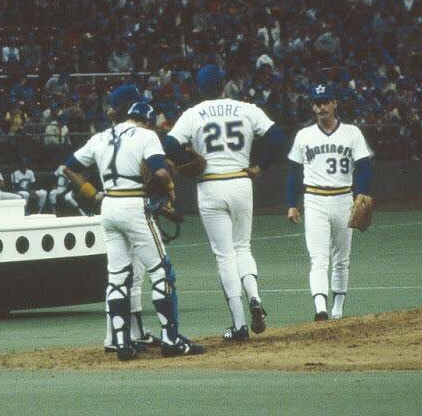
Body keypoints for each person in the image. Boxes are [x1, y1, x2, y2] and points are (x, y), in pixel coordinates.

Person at [64, 84, 203, 360]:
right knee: (162, 271)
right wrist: (171, 189)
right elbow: (160, 172)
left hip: (109, 205)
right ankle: (171, 340)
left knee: (117, 276)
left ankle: (122, 343)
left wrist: (92, 194)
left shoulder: (100, 137)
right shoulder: (146, 135)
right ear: (143, 116)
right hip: (133, 203)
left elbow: (69, 167)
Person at [164, 65, 287, 341]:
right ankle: (255, 298)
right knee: (243, 247)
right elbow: (278, 138)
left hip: (210, 184)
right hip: (241, 180)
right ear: (225, 85)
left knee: (224, 256)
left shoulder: (193, 114)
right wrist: (261, 166)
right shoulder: (246, 108)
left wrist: (187, 161)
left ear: (199, 88)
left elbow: (169, 145)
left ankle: (240, 324)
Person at [286, 84, 374, 321]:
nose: (321, 106)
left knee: (341, 259)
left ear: (335, 103)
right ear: (312, 106)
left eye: (326, 101)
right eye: (317, 102)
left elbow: (364, 166)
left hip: (344, 199)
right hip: (314, 200)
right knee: (319, 258)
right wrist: (291, 203)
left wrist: (362, 193)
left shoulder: (352, 132)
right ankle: (321, 310)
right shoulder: (304, 136)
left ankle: (338, 310)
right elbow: (294, 171)